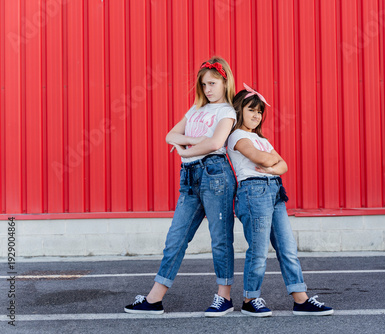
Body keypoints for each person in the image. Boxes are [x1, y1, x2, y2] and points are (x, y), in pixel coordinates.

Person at [125, 57, 237, 317]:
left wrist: (186, 151)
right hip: (189, 177)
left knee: (220, 239)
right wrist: (194, 139)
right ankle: (154, 299)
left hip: (215, 175)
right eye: (204, 84)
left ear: (224, 82)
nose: (207, 89)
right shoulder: (196, 110)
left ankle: (225, 297)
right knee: (176, 238)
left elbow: (216, 143)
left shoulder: (227, 111)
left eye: (213, 83)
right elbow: (170, 136)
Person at [227, 83, 334, 317]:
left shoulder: (260, 138)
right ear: (239, 110)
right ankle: (249, 298)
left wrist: (272, 167)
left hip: (274, 191)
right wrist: (272, 164)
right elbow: (261, 159)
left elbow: (283, 165)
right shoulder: (237, 135)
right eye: (251, 110)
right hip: (253, 192)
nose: (256, 115)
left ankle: (300, 299)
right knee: (258, 250)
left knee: (287, 248)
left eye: (260, 112)